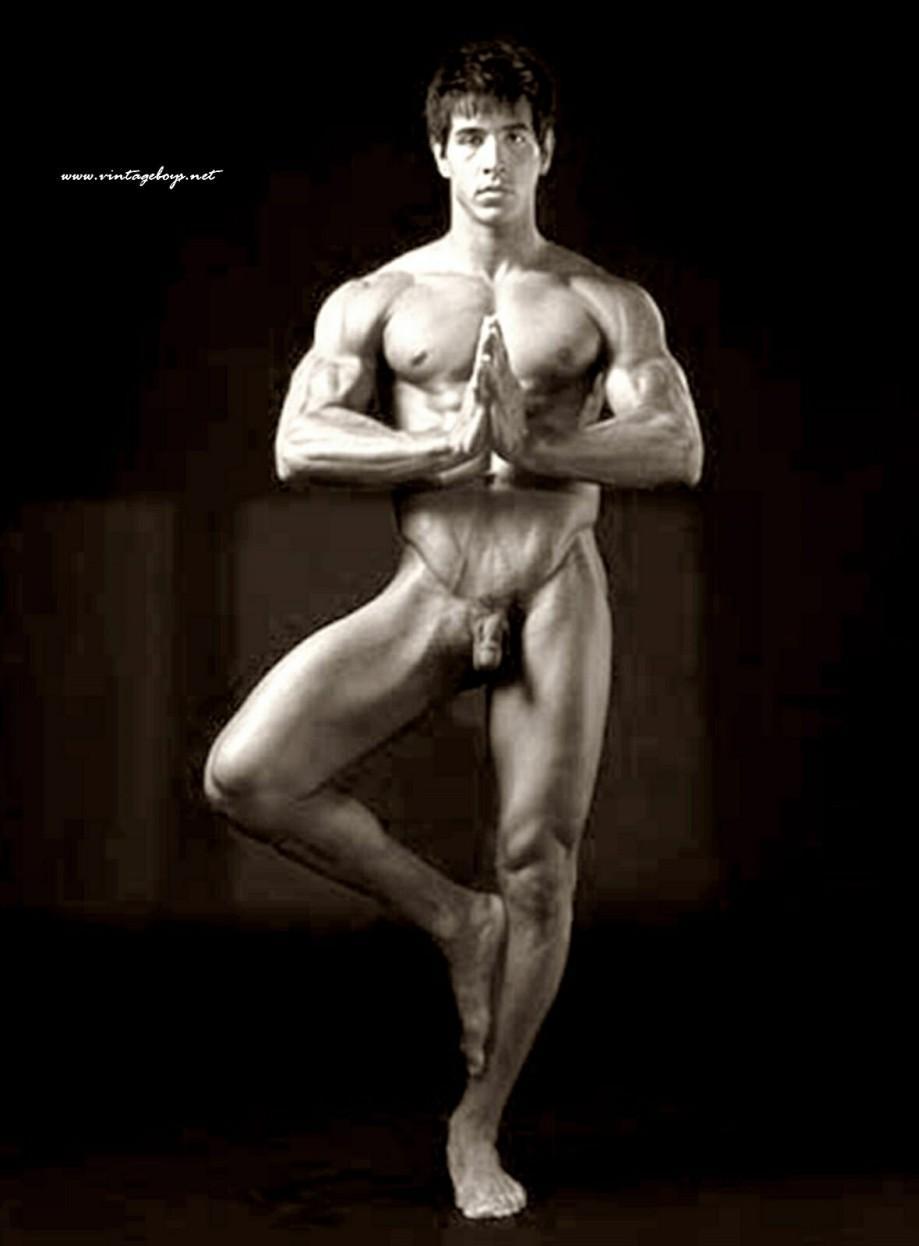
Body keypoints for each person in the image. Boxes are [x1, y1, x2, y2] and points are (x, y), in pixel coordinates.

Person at [204, 39, 703, 1220]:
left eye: (513, 135)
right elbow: (300, 441)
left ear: (547, 150)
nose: (492, 158)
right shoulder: (376, 299)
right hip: (431, 588)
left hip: (554, 589)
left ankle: (476, 1124)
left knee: (540, 861)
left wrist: (540, 445)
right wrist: (445, 444)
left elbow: (677, 446)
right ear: (438, 152)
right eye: (470, 136)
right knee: (246, 773)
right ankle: (452, 917)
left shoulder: (603, 300)